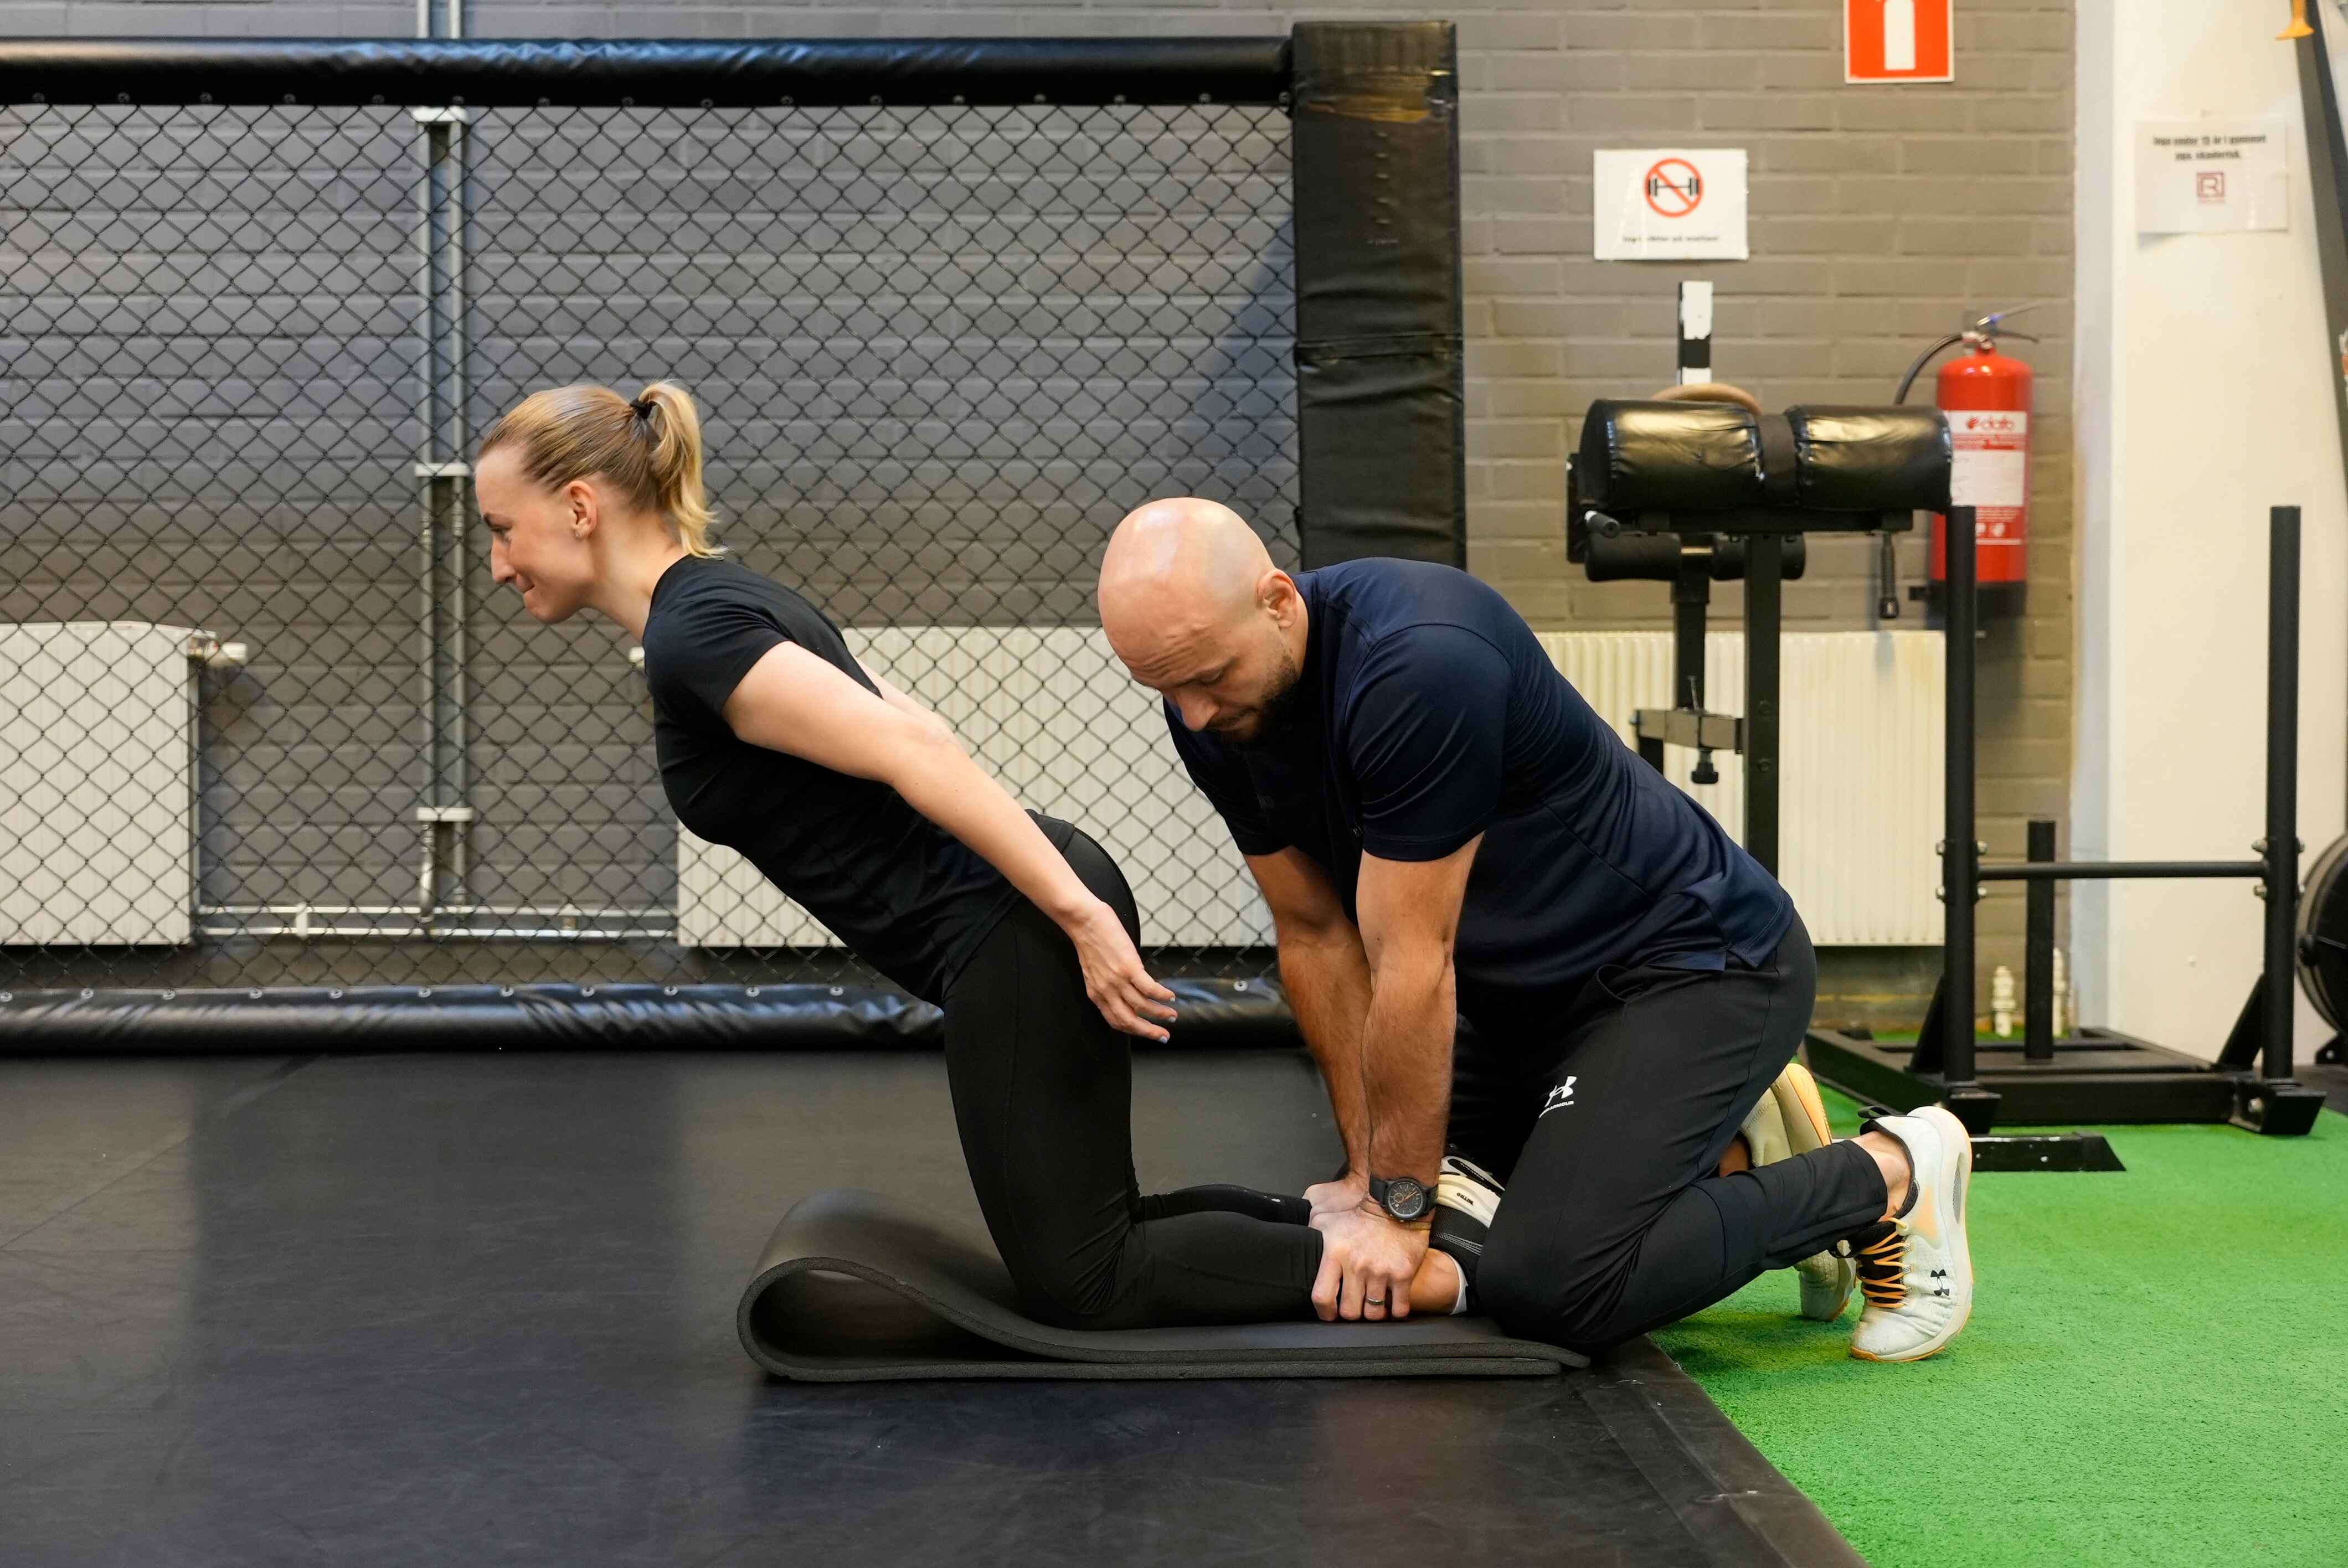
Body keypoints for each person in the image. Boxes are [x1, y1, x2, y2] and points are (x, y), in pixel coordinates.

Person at [472, 381, 1462, 1330]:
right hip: (1020, 914)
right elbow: (912, 715)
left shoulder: (695, 636)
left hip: (1013, 931)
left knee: (1088, 1285)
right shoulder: (715, 602)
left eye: (501, 531)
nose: (499, 564)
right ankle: (1338, 1223)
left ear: (577, 506)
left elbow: (917, 747)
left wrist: (1075, 917)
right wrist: (1065, 895)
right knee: (1108, 1227)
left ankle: (1433, 1278)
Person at [1096, 497, 1977, 1362]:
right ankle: (1736, 1157)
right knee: (1429, 1217)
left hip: (1694, 968)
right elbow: (1317, 933)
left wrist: (1394, 1210)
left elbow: (1413, 960)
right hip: (1522, 1011)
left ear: (1279, 601)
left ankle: (1888, 1172)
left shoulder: (1419, 661)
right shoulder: (1213, 707)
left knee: (1555, 1286)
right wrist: (1369, 1178)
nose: (1196, 715)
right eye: (1165, 688)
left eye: (1209, 678)